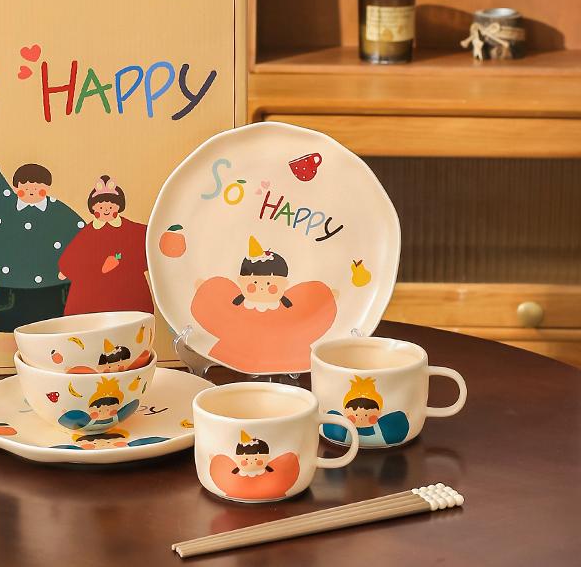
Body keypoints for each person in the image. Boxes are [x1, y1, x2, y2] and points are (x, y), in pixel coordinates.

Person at [190, 235, 337, 373]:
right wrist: (205, 291)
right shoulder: (234, 305)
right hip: (232, 355)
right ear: (241, 282)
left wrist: (327, 298)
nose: (261, 288)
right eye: (253, 283)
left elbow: (314, 313)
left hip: (290, 356)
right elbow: (215, 310)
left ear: (284, 284)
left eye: (270, 284)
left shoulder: (291, 307)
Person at [0, 163, 83, 331]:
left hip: (53, 279)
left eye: (38, 188)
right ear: (16, 187)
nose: (31, 192)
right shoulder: (5, 209)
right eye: (25, 188)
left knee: (56, 318)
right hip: (13, 281)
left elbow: (80, 236)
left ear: (47, 188)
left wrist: (71, 267)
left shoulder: (58, 210)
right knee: (12, 317)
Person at [58, 175, 154, 316]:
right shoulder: (87, 233)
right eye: (101, 207)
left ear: (118, 207)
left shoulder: (132, 229)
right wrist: (66, 268)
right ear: (94, 208)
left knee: (131, 313)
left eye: (110, 206)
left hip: (127, 286)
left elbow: (149, 240)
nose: (106, 210)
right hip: (94, 289)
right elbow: (74, 252)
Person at [322, 376, 410, 447]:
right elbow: (331, 423)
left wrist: (403, 417)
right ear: (345, 412)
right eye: (356, 414)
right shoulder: (342, 429)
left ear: (379, 413)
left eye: (366, 415)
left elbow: (396, 424)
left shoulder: (383, 427)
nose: (361, 418)